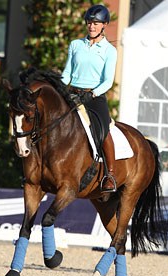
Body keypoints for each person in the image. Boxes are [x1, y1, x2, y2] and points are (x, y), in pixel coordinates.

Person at [61, 4, 117, 192]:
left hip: (94, 96)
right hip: (72, 93)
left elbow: (108, 81)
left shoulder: (109, 50)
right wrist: (60, 87)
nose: (91, 26)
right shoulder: (76, 45)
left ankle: (110, 174)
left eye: (96, 23)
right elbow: (67, 72)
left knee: (103, 131)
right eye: (89, 23)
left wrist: (92, 93)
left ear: (104, 25)